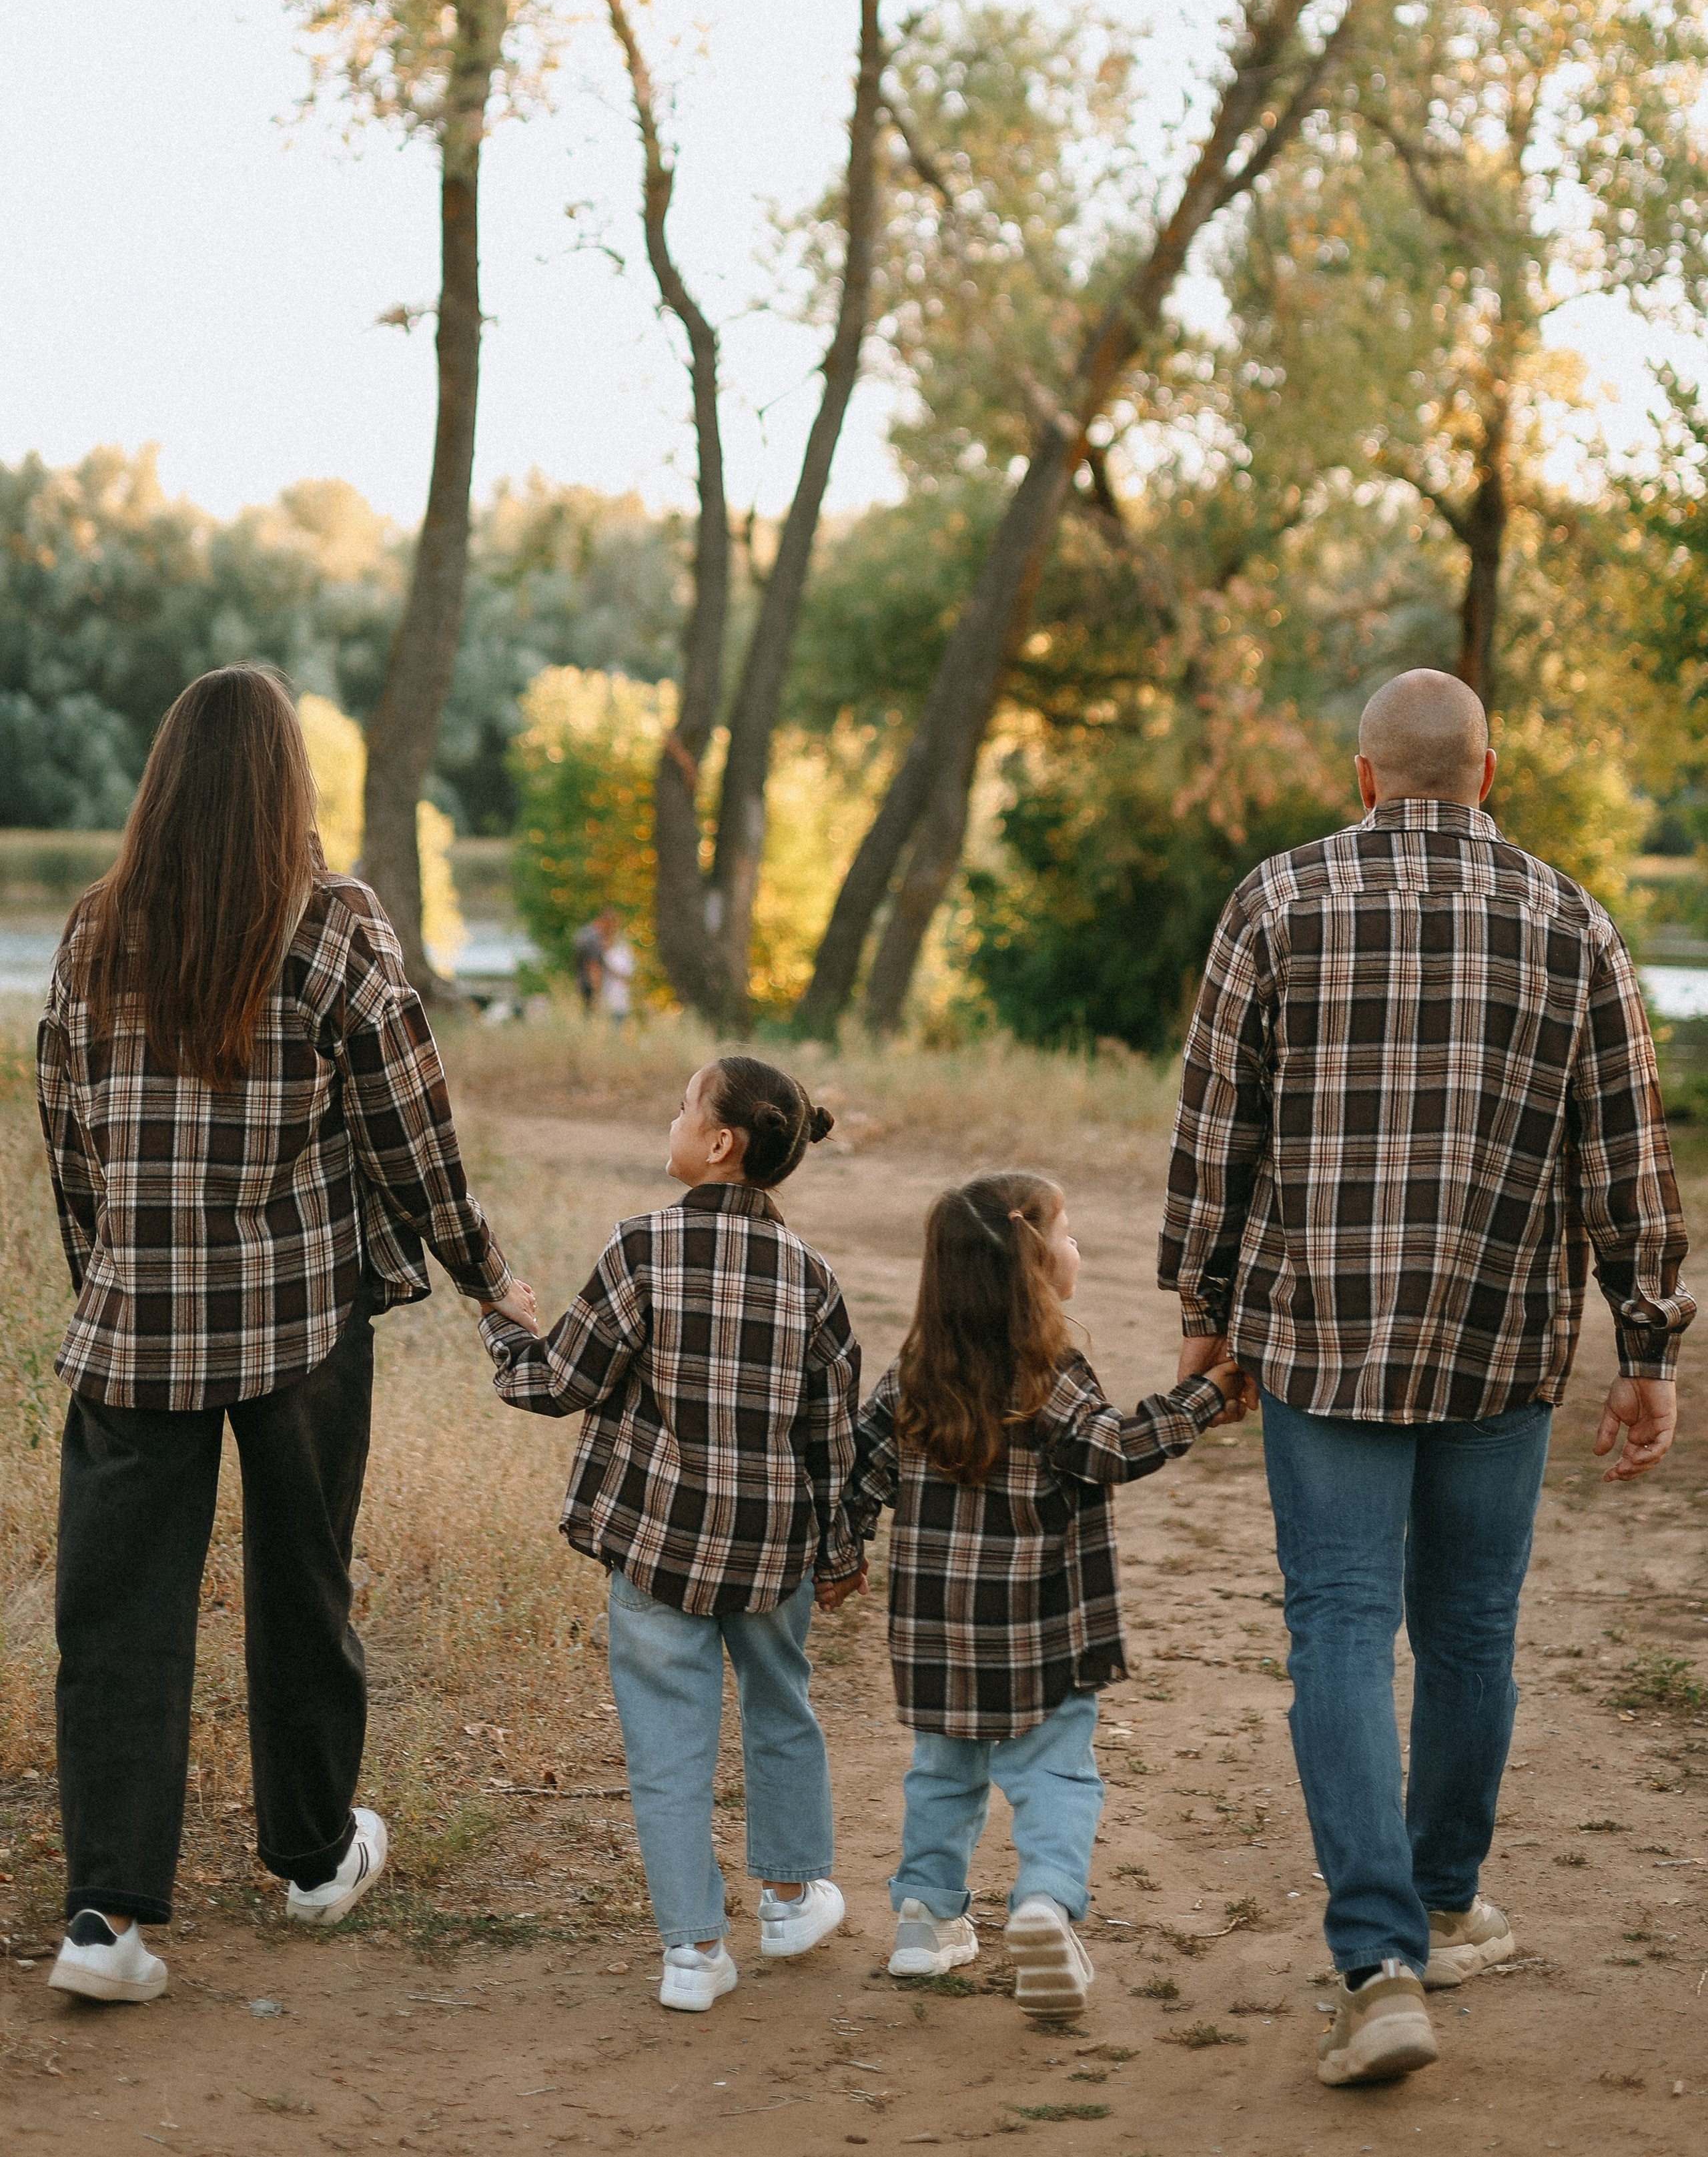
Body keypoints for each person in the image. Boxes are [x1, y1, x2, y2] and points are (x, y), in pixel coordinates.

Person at [1159, 667, 1693, 2090]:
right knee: (1469, 1628)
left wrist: (1204, 1310)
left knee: (1335, 1622)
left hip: (1320, 1333)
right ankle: (1445, 1902)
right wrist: (1644, 1350)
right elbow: (1622, 1162)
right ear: (1487, 771)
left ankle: (1379, 1959)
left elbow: (1213, 1125)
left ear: (1363, 778)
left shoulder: (1273, 903)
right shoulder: (1571, 921)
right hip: (1497, 1337)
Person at [37, 665, 521, 2008]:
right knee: (302, 1583)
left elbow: (69, 1134)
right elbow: (412, 1133)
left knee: (117, 1617)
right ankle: (312, 1860)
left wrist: (111, 1275)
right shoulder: (333, 930)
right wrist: (482, 1273)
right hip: (299, 1322)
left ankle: (104, 1921)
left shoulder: (92, 934)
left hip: (136, 1329)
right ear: (286, 784)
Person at [475, 1054, 861, 2012]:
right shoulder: (813, 1277)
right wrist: (843, 1552)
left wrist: (503, 1322)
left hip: (656, 1545)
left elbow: (560, 1383)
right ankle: (786, 1898)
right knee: (783, 1711)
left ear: (721, 1143)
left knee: (666, 1747)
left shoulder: (639, 1250)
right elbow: (834, 1437)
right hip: (774, 1553)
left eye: (687, 1104)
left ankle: (693, 1953)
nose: (675, 1114)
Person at [823, 1171, 1242, 2020]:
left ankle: (923, 1917)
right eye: (1070, 1235)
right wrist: (1206, 1396)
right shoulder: (1050, 1377)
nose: (1078, 1248)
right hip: (1041, 1631)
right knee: (1055, 1775)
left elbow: (855, 1475)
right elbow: (1111, 1450)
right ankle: (1044, 1903)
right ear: (1034, 1265)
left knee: (941, 1777)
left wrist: (840, 1558)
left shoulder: (911, 1376)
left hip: (935, 1633)